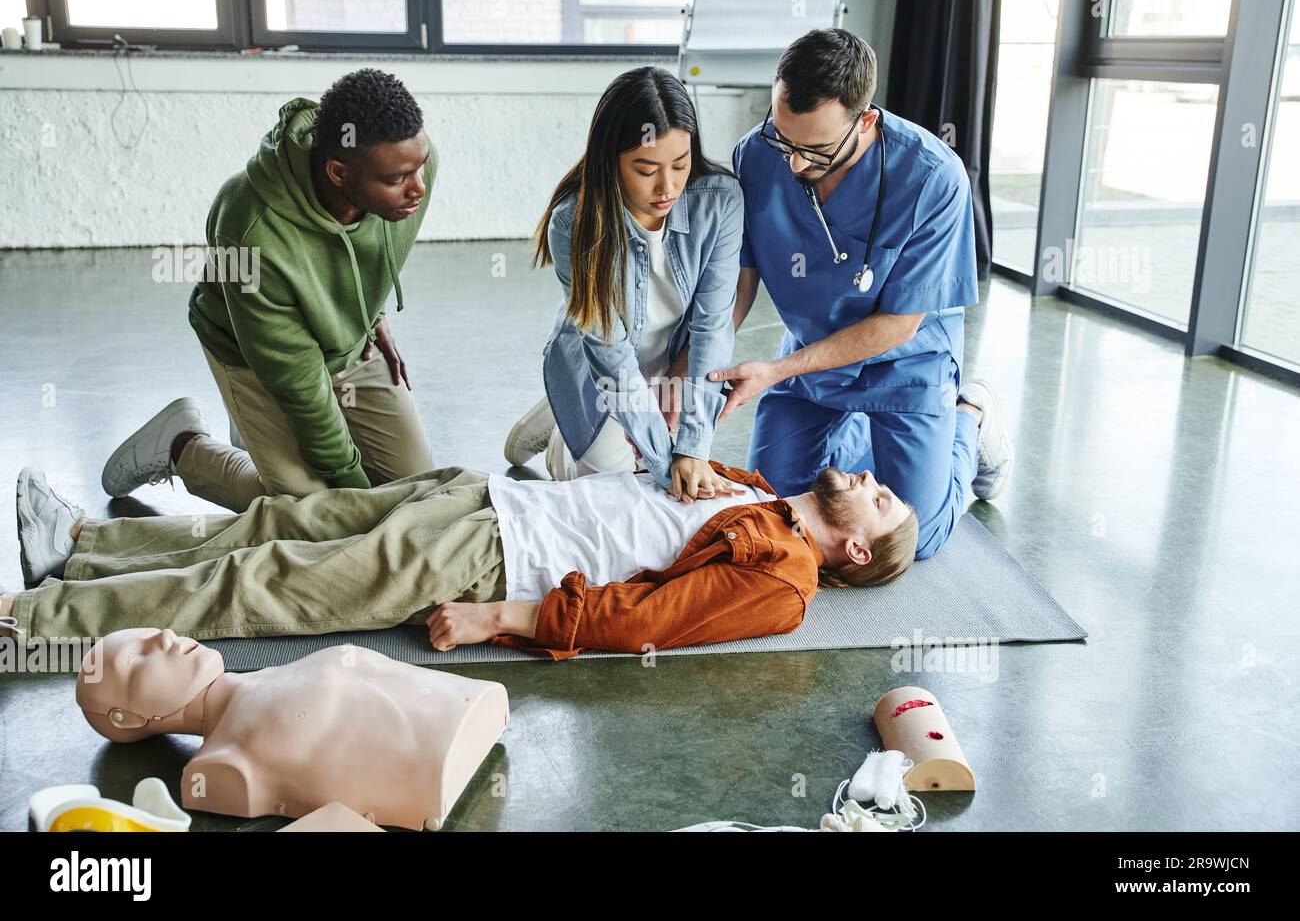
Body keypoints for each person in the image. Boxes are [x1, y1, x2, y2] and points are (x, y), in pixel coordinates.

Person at [4, 456, 919, 661]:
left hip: (493, 555)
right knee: (276, 521)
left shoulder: (786, 582)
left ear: (854, 548)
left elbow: (649, 622)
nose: (871, 480)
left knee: (265, 581)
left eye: (881, 501)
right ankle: (83, 547)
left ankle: (32, 621)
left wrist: (503, 618)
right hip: (484, 495)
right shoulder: (757, 489)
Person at [712, 29, 1015, 560]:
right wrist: (697, 366)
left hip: (906, 364)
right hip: (812, 356)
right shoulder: (757, 155)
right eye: (783, 138)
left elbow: (898, 324)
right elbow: (740, 280)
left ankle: (969, 416)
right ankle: (855, 429)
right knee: (778, 508)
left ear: (866, 121)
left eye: (816, 150)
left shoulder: (934, 178)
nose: (794, 164)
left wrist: (776, 372)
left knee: (912, 537)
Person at [99, 68, 438, 514]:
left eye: (420, 165)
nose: (418, 187)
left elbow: (357, 254)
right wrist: (351, 500)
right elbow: (300, 382)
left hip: (347, 341)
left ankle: (276, 454)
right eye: (397, 179)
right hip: (253, 352)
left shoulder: (410, 165)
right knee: (313, 512)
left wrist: (372, 316)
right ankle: (181, 446)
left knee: (419, 494)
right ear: (339, 172)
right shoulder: (249, 229)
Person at [501, 66, 743, 503]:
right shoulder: (572, 223)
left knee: (666, 473)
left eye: (681, 164)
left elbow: (712, 328)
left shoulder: (721, 201)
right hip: (599, 370)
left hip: (664, 369)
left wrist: (692, 448)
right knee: (608, 490)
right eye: (646, 169)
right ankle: (563, 417)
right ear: (610, 159)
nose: (667, 187)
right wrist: (665, 461)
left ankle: (568, 410)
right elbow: (611, 356)